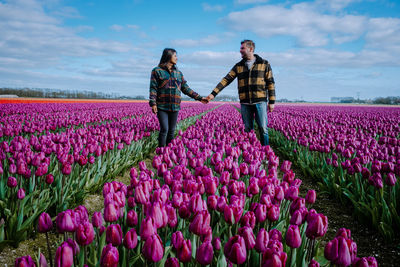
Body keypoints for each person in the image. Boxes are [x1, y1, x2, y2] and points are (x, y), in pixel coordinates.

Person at [206, 40, 275, 146]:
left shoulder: (264, 63)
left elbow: (270, 83)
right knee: (248, 129)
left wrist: (272, 101)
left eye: (242, 48)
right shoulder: (238, 66)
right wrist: (213, 94)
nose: (240, 50)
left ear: (251, 49)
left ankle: (265, 152)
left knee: (263, 128)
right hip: (245, 102)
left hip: (260, 101)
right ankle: (251, 152)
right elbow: (226, 80)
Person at [149, 48, 207, 147]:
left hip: (175, 106)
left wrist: (199, 98)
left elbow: (186, 88)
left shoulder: (179, 73)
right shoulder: (157, 71)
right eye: (175, 55)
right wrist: (153, 103)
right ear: (168, 55)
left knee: (171, 131)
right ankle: (161, 152)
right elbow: (153, 88)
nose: (177, 58)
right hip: (162, 105)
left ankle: (169, 151)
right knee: (164, 129)